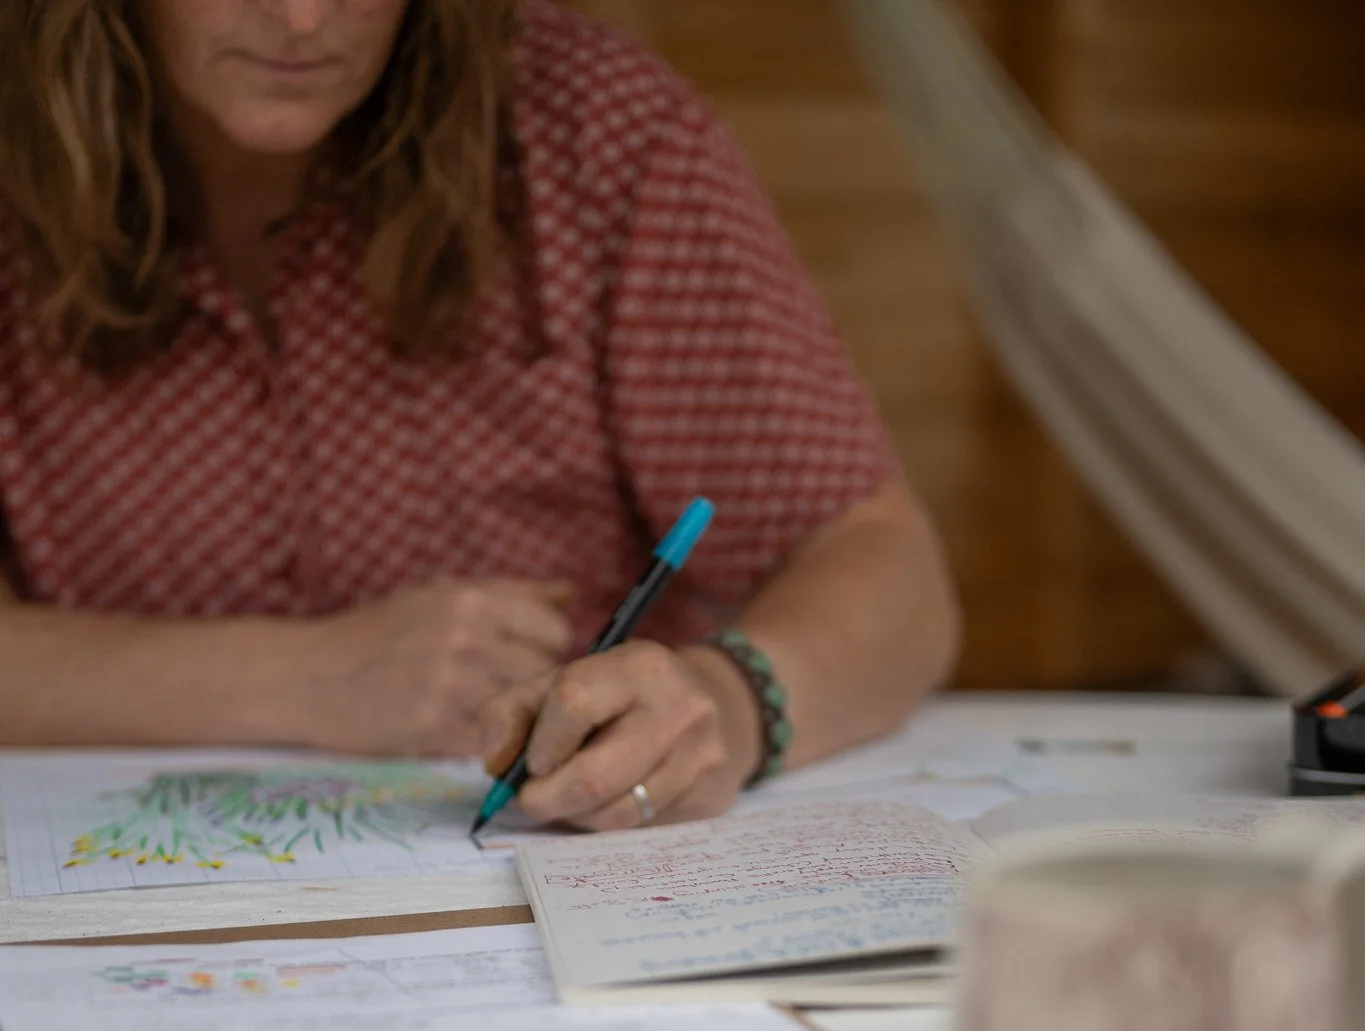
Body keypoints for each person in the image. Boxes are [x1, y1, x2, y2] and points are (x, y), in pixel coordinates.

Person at [0, 0, 959, 831]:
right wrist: (305, 677)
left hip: (564, 883)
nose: (300, 17)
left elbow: (887, 573)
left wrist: (724, 702)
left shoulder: (597, 133)